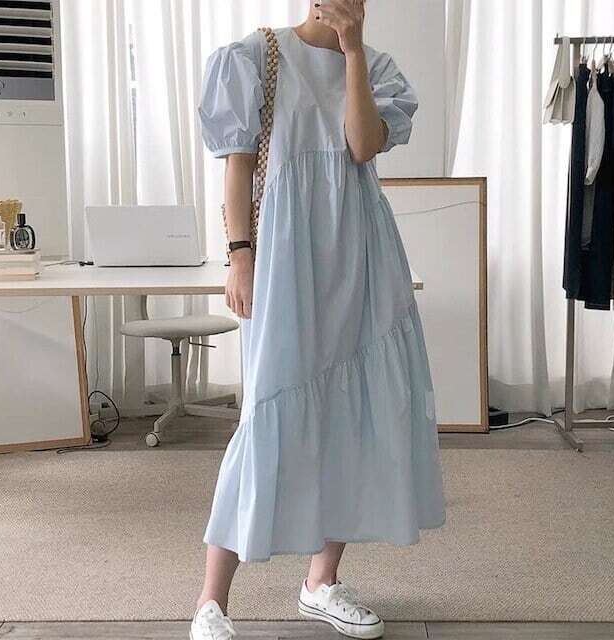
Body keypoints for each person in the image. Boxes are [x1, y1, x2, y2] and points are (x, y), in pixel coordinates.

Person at [191, 1, 446, 638]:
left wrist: (353, 49)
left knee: (352, 416)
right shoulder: (254, 57)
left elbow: (361, 146)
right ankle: (212, 602)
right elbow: (238, 166)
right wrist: (239, 255)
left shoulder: (377, 69)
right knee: (265, 413)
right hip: (284, 257)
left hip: (362, 257)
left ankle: (321, 581)